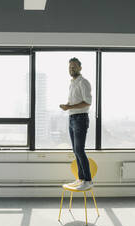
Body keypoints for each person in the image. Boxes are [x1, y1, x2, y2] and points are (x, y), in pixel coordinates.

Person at [59, 57, 93, 191]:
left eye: (74, 67)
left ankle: (88, 180)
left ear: (80, 68)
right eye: (69, 67)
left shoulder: (83, 82)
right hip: (72, 118)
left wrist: (70, 107)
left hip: (80, 118)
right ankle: (81, 179)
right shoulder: (72, 83)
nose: (71, 69)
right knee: (75, 150)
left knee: (79, 150)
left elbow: (87, 102)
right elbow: (74, 102)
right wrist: (67, 106)